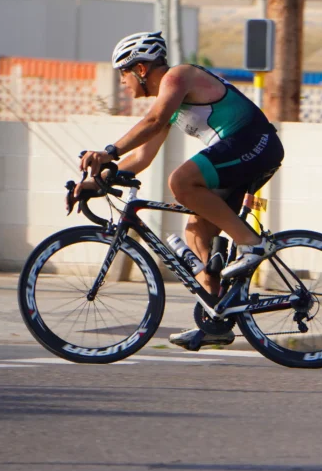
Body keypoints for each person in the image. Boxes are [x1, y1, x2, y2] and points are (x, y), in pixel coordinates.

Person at [76, 31, 284, 348]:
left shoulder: (179, 76)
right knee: (197, 233)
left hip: (255, 143)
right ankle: (215, 320)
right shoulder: (171, 104)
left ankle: (253, 245)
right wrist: (93, 183)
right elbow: (142, 157)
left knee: (181, 181)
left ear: (141, 69)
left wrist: (107, 152)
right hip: (240, 155)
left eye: (123, 73)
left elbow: (153, 121)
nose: (122, 82)